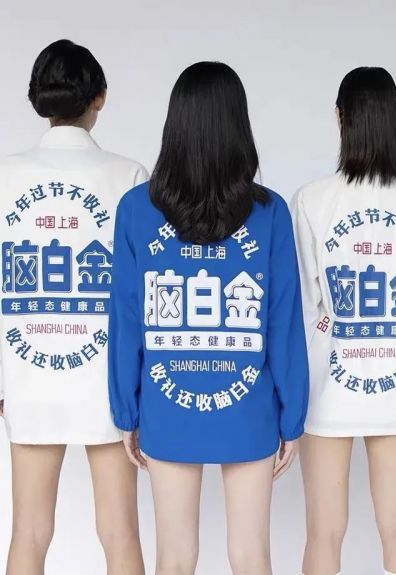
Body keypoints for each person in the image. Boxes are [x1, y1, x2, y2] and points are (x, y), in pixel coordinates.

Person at [108, 61, 309, 575]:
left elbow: (127, 321)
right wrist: (292, 417)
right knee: (251, 557)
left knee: (174, 559)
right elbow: (283, 324)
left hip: (167, 405)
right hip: (249, 406)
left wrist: (127, 412)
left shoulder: (136, 210)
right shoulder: (269, 213)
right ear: (239, 125)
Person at [0, 39, 147, 575]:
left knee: (29, 532)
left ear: (37, 98)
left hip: (28, 373)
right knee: (120, 531)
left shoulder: (5, 176)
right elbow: (144, 294)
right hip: (106, 377)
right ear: (99, 98)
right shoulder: (128, 177)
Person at [292, 66, 396, 575]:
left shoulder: (312, 200)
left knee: (323, 533)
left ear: (340, 118)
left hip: (326, 385)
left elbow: (305, 307)